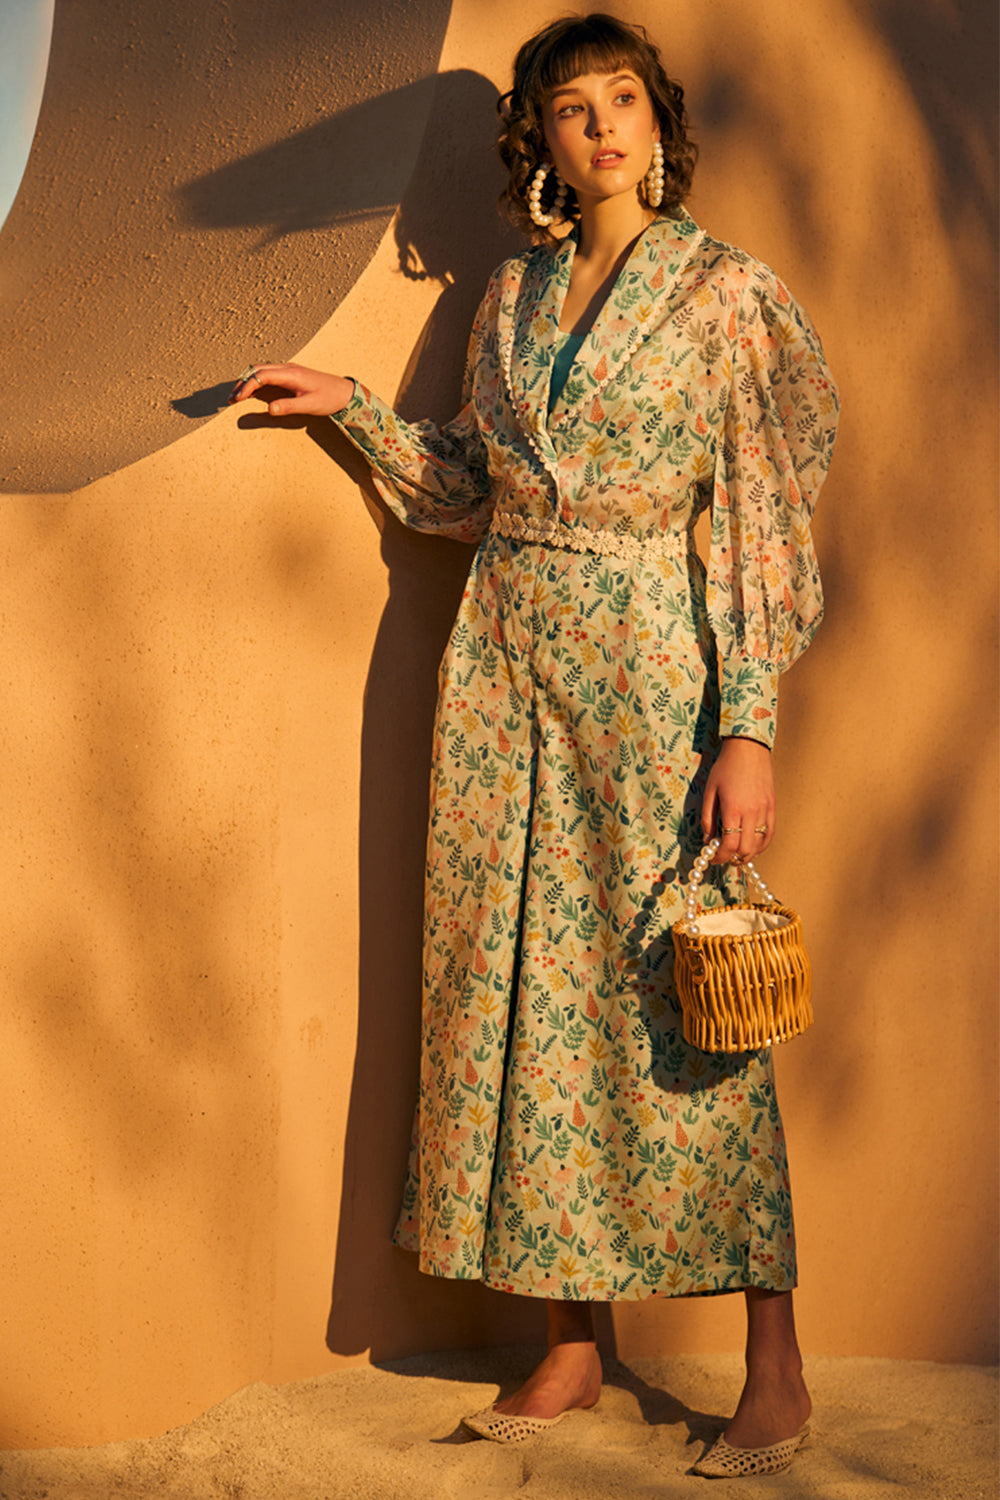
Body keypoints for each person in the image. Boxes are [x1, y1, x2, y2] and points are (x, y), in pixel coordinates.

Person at [230, 12, 838, 1479]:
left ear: (657, 121)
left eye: (623, 99)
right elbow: (471, 486)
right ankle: (574, 1337)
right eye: (573, 108)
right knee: (521, 992)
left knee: (687, 1003)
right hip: (503, 673)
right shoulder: (509, 297)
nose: (602, 126)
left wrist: (747, 723)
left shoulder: (726, 295)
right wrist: (354, 410)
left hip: (652, 676)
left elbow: (762, 507)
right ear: (542, 142)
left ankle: (775, 1363)